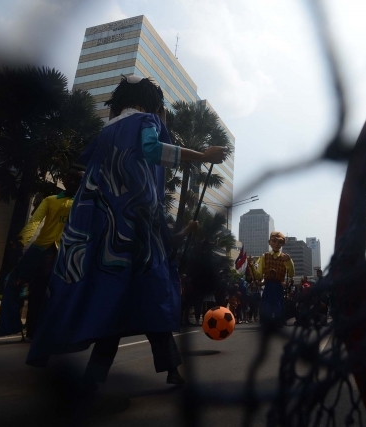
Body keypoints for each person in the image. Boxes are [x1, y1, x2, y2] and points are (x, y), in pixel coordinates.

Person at [26, 75, 226, 388]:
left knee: (115, 299)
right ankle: (169, 371)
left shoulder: (106, 129)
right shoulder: (146, 120)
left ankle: (98, 376)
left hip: (102, 233)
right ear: (152, 101)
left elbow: (87, 169)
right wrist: (202, 156)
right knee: (152, 296)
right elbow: (150, 149)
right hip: (138, 231)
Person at [0, 166, 85, 339]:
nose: (74, 182)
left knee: (66, 292)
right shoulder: (51, 200)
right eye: (72, 178)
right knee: (17, 283)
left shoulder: (86, 203)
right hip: (41, 249)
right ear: (66, 180)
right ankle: (17, 327)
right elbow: (35, 221)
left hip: (68, 253)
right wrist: (22, 239)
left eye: (79, 179)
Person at [252, 231, 295, 326]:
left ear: (283, 244)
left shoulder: (286, 258)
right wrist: (252, 269)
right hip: (267, 285)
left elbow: (291, 274)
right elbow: (259, 275)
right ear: (269, 242)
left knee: (278, 305)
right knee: (266, 305)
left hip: (278, 286)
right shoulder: (264, 256)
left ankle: (279, 321)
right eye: (274, 241)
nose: (276, 244)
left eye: (279, 242)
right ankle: (265, 322)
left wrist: (288, 262)